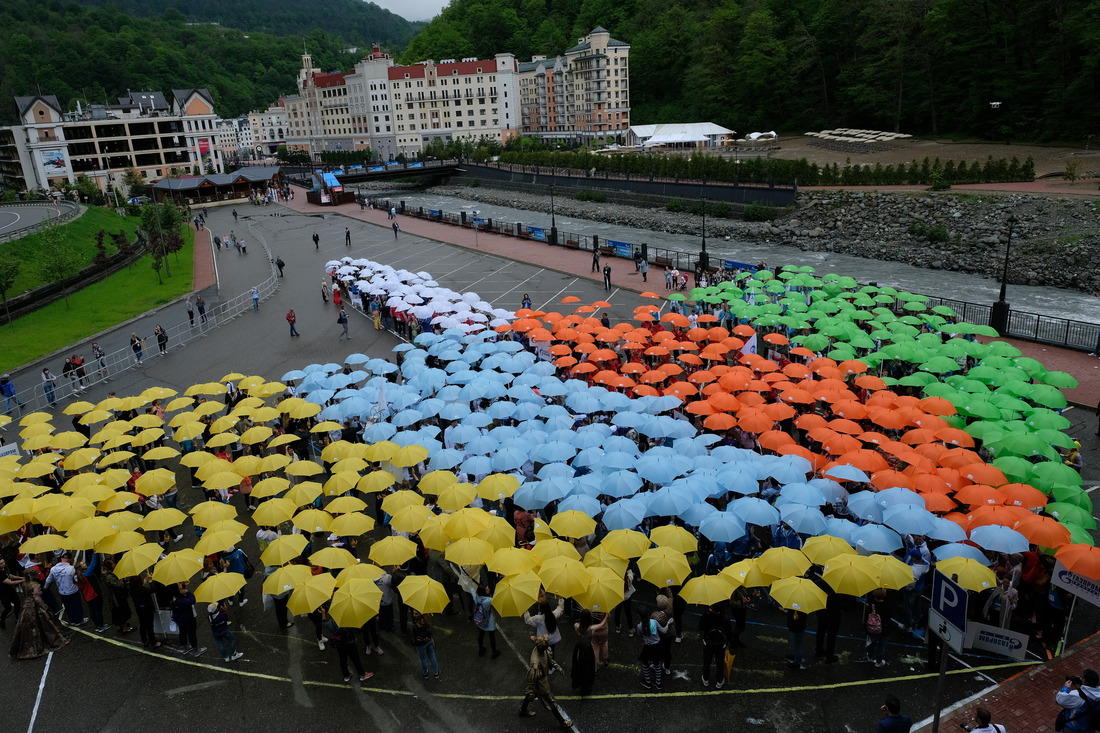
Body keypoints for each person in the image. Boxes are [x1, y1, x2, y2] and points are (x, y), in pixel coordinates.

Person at [9, 569, 69, 660]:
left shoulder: (25, 584)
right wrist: (43, 605)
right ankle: (47, 641)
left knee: (26, 626)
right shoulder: (35, 585)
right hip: (35, 607)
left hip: (26, 606)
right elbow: (37, 598)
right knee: (45, 623)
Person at [519, 635, 572, 728]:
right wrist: (531, 689)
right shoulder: (535, 663)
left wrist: (557, 666)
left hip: (541, 678)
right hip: (540, 683)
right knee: (550, 700)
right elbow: (532, 680)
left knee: (531, 694)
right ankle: (562, 722)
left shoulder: (540, 648)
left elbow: (548, 658)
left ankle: (522, 710)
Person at [320, 605, 373, 683]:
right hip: (350, 644)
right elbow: (359, 629)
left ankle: (346, 676)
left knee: (343, 660)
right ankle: (362, 675)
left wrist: (323, 614)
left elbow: (324, 623)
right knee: (355, 659)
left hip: (339, 644)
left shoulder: (332, 623)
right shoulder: (349, 622)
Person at [44, 553, 84, 626]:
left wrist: (45, 588)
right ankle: (78, 620)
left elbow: (48, 580)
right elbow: (77, 580)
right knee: (76, 606)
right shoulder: (71, 569)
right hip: (73, 591)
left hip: (62, 592)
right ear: (69, 559)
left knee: (68, 607)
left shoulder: (53, 569)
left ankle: (72, 620)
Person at [699, 603, 731, 688]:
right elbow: (729, 633)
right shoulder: (725, 618)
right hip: (720, 645)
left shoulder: (706, 616)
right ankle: (719, 681)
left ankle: (706, 679)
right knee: (720, 663)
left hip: (708, 643)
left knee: (707, 662)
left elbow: (701, 627)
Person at [170, 582, 202, 655]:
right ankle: (196, 649)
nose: (180, 585)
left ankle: (184, 647)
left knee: (182, 633)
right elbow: (192, 600)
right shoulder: (180, 600)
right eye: (179, 585)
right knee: (192, 633)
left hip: (179, 619)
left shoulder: (172, 598)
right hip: (188, 618)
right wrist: (187, 592)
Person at [469, 582, 500, 658]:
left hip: (480, 620)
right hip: (489, 621)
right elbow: (498, 597)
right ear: (484, 592)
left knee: (481, 634)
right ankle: (494, 652)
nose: (489, 589)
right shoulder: (489, 600)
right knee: (491, 636)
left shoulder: (476, 598)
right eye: (487, 589)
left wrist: (469, 580)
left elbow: (471, 589)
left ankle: (481, 649)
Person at [411, 609, 441, 680]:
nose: (414, 615)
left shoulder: (416, 626)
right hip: (429, 641)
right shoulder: (427, 620)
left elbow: (414, 637)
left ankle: (425, 674)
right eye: (413, 613)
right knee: (432, 656)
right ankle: (436, 673)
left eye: (416, 614)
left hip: (421, 645)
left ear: (420, 614)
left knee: (423, 659)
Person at [0, 556, 25, 629]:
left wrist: (21, 578)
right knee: (8, 608)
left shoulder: (4, 569)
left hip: (10, 590)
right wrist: (23, 580)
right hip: (3, 593)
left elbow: (9, 575)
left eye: (3, 562)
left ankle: (17, 619)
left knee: (18, 602)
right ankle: (2, 620)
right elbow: (10, 582)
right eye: (1, 563)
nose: (3, 564)